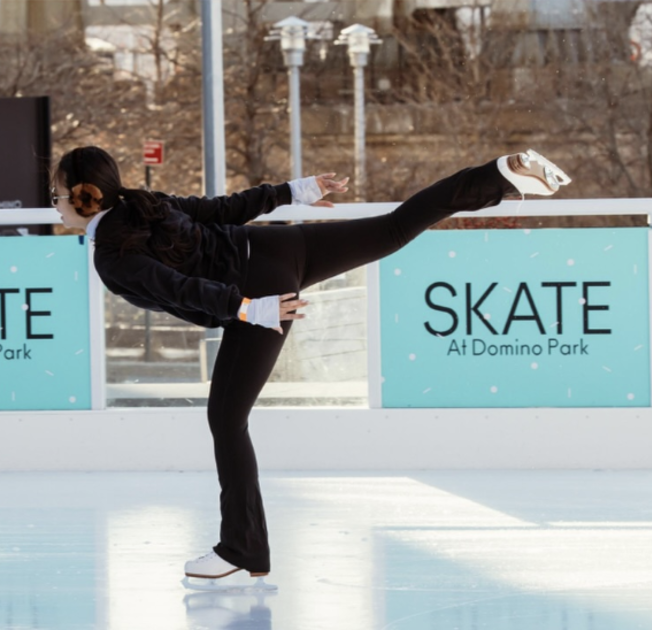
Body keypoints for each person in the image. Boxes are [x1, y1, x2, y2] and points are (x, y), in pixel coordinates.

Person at [50, 146, 571, 583]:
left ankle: (243, 550)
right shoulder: (145, 205)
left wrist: (250, 309)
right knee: (390, 230)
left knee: (227, 421)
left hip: (255, 293)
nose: (53, 203)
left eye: (56, 193)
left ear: (78, 195)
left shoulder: (110, 254)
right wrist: (293, 192)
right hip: (277, 249)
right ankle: (498, 175)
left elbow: (178, 287)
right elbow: (222, 210)